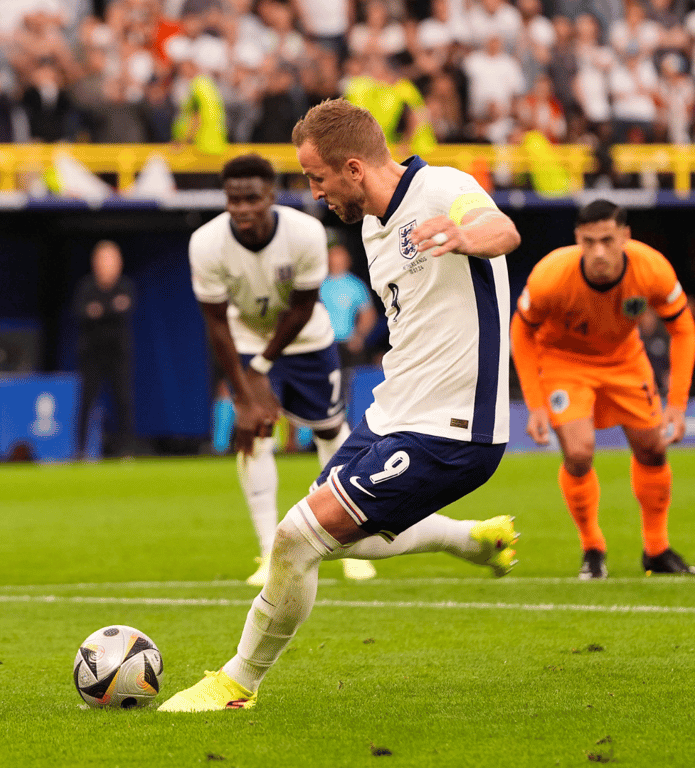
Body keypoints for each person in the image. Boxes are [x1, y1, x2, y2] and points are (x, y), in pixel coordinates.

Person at [161, 100, 521, 712]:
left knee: (297, 536)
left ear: (353, 168)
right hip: (391, 415)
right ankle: (473, 541)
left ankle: (236, 684)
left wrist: (464, 236)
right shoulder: (373, 230)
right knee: (339, 536)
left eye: (316, 178)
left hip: (453, 430)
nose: (313, 192)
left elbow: (503, 230)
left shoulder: (441, 187)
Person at [189, 153, 378, 588]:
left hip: (307, 340)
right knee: (253, 435)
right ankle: (268, 552)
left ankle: (344, 545)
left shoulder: (305, 232)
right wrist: (243, 391)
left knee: (331, 432)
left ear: (271, 196)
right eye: (233, 200)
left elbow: (302, 307)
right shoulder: (206, 242)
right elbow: (216, 322)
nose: (242, 209)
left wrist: (261, 367)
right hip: (248, 340)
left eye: (252, 198)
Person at [510, 200, 695, 580]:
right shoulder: (551, 275)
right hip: (565, 362)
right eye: (589, 241)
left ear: (625, 237)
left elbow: (683, 328)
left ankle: (656, 550)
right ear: (577, 239)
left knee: (652, 449)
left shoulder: (652, 268)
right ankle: (593, 548)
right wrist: (535, 404)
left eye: (608, 240)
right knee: (579, 454)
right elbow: (521, 329)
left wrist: (677, 404)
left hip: (625, 360)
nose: (599, 251)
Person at [73, 240, 136, 459]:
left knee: (123, 401)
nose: (108, 265)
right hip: (91, 355)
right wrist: (110, 309)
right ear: (95, 263)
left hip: (118, 354)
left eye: (112, 260)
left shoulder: (126, 286)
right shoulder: (86, 287)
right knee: (86, 402)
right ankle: (80, 450)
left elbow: (123, 308)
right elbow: (83, 312)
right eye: (104, 260)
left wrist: (100, 311)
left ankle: (126, 450)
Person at [321, 241, 378, 365]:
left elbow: (368, 314)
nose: (336, 261)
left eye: (340, 257)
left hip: (347, 344)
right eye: (333, 256)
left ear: (347, 260)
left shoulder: (355, 285)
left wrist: (359, 336)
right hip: (324, 343)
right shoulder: (320, 284)